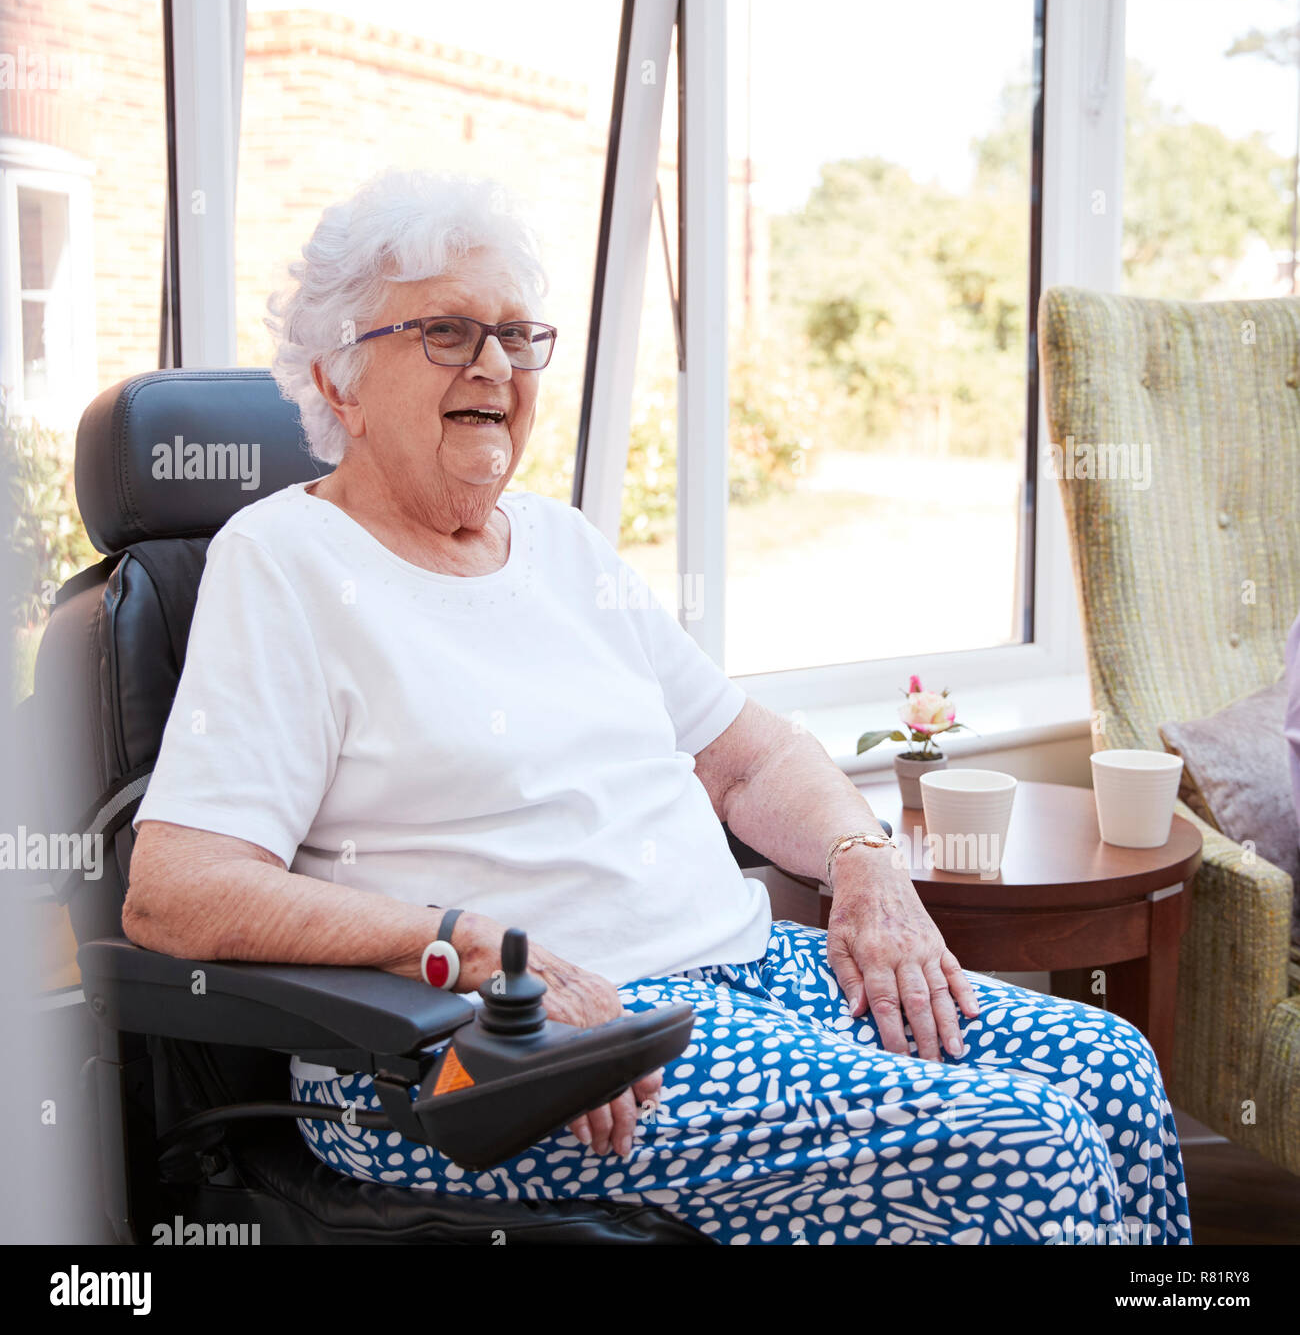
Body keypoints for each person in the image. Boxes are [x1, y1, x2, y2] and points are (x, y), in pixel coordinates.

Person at [123, 167, 1190, 1245]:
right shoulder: (284, 560)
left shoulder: (560, 543)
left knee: (1110, 1067)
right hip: (473, 1053)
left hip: (739, 975)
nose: (496, 365)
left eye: (516, 336)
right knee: (1026, 1142)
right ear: (339, 379)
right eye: (447, 332)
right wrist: (472, 950)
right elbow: (175, 889)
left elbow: (747, 758)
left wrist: (865, 867)